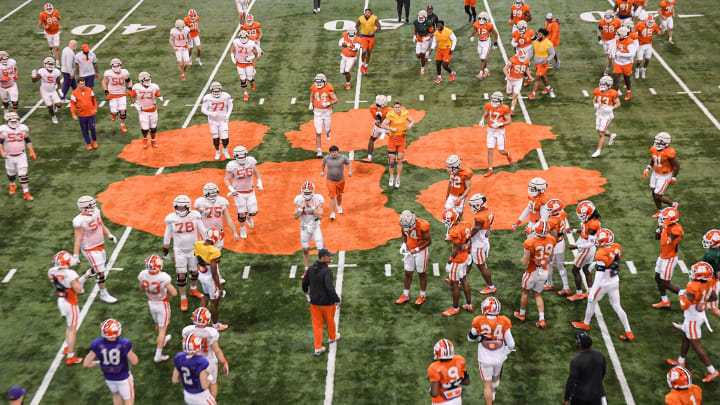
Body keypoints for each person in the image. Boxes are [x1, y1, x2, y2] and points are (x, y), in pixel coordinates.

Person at [571, 229, 634, 341]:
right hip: (614, 280)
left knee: (591, 301)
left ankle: (586, 323)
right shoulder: (617, 246)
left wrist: (592, 291)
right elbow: (609, 263)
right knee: (617, 306)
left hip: (604, 283)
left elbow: (599, 276)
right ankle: (628, 331)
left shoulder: (600, 253)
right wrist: (596, 265)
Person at [666, 261, 720, 383]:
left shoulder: (693, 286)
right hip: (699, 315)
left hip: (692, 319)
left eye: (696, 272)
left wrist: (682, 295)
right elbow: (713, 297)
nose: (693, 273)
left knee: (696, 346)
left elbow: (684, 305)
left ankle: (712, 371)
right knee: (685, 338)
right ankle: (681, 361)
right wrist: (702, 300)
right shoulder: (710, 281)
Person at [163, 194, 206, 311]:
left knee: (195, 270)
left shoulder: (195, 216)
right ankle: (183, 297)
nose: (180, 210)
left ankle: (193, 289)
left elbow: (203, 230)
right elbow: (167, 235)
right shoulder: (171, 218)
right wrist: (165, 249)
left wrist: (207, 243)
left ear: (188, 207)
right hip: (179, 250)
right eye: (178, 207)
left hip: (193, 248)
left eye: (183, 207)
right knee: (181, 274)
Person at [467, 297, 514, 404]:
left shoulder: (479, 320)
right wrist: (506, 350)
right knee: (496, 377)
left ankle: (490, 400)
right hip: (499, 357)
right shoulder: (504, 321)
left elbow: (469, 339)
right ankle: (493, 395)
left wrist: (477, 335)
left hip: (485, 358)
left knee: (487, 385)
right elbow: (511, 344)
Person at [73, 195, 118, 303]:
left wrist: (109, 235)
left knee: (99, 267)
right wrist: (76, 255)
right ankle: (103, 294)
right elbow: (78, 239)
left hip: (100, 245)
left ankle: (81, 280)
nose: (93, 208)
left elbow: (101, 225)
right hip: (90, 249)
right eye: (90, 206)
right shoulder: (80, 221)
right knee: (100, 272)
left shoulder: (96, 213)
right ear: (84, 208)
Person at [83, 319, 139, 405]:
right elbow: (135, 361)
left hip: (109, 378)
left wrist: (100, 362)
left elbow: (86, 364)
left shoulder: (97, 344)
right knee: (129, 401)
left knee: (116, 395)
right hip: (123, 378)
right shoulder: (124, 343)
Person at [182, 307, 230, 399]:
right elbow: (217, 350)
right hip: (209, 362)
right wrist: (224, 362)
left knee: (199, 385)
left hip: (194, 362)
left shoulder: (188, 331)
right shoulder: (211, 333)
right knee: (213, 383)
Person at [138, 254, 177, 363]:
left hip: (151, 302)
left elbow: (141, 288)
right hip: (162, 304)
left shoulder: (143, 275)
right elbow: (174, 293)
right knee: (162, 329)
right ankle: (158, 354)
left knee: (158, 325)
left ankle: (162, 340)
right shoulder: (163, 277)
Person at [515, 221, 555, 328]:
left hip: (532, 271)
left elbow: (524, 262)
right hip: (544, 270)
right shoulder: (551, 239)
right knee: (537, 294)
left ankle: (522, 314)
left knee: (525, 293)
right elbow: (551, 258)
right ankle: (542, 319)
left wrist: (522, 260)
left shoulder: (529, 242)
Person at [301, 248, 341, 356]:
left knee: (317, 325)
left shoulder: (310, 269)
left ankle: (318, 347)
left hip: (314, 303)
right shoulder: (327, 271)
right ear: (323, 257)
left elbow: (304, 283)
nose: (330, 257)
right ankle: (332, 337)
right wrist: (337, 299)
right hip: (327, 303)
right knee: (330, 320)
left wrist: (307, 294)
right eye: (329, 256)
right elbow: (329, 288)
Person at [48, 250, 84, 365]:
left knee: (69, 327)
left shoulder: (51, 271)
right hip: (70, 302)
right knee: (72, 329)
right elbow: (79, 290)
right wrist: (82, 278)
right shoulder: (71, 274)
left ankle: (67, 347)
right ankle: (71, 356)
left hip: (61, 300)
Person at [224, 145, 263, 239]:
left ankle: (249, 217)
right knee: (241, 213)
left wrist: (259, 182)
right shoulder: (232, 166)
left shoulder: (250, 162)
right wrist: (232, 190)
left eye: (243, 156)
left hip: (250, 191)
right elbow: (226, 179)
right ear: (235, 156)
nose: (241, 158)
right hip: (239, 193)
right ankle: (242, 228)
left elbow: (256, 173)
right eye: (239, 157)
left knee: (253, 212)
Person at [194, 228, 228, 330]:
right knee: (214, 302)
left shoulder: (198, 244)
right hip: (210, 278)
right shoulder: (214, 251)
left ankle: (198, 318)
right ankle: (215, 325)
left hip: (202, 275)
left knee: (206, 296)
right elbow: (214, 272)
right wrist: (219, 286)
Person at [566, 201, 600, 301]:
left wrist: (576, 246)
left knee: (575, 270)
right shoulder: (591, 220)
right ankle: (590, 292)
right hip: (588, 248)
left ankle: (579, 294)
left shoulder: (593, 223)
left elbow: (591, 242)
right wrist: (574, 230)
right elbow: (585, 232)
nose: (580, 217)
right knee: (586, 270)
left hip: (586, 249)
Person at [397, 210, 432, 305]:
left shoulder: (423, 226)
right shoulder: (405, 222)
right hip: (409, 250)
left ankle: (422, 296)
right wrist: (403, 244)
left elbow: (429, 241)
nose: (407, 228)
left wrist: (417, 249)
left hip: (421, 251)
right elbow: (404, 233)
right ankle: (405, 295)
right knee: (408, 273)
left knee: (421, 273)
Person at [442, 208, 473, 316]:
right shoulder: (466, 224)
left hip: (458, 260)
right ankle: (469, 304)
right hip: (465, 257)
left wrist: (449, 261)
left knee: (455, 285)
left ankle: (455, 308)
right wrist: (468, 248)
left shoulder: (454, 231)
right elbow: (469, 238)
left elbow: (455, 250)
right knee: (464, 280)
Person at [652, 206, 683, 308]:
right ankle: (665, 301)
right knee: (657, 277)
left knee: (665, 283)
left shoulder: (677, 230)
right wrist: (659, 228)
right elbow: (656, 238)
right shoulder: (665, 226)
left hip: (670, 258)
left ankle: (686, 295)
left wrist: (664, 228)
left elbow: (664, 242)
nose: (662, 219)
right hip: (663, 256)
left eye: (664, 218)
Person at [0, 112, 36, 200]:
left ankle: (26, 193)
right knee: (11, 175)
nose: (14, 123)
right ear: (7, 121)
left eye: (15, 121)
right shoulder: (3, 130)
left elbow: (27, 139)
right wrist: (2, 151)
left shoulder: (22, 128)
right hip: (9, 156)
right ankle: (12, 185)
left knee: (23, 174)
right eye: (12, 121)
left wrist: (31, 150)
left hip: (21, 155)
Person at [172, 334, 217, 405]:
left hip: (187, 395)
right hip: (201, 396)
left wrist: (190, 379)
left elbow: (175, 380)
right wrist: (211, 376)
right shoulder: (200, 361)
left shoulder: (179, 358)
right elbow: (204, 386)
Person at [564, 332, 606, 405]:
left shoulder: (576, 361)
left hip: (580, 397)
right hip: (596, 395)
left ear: (579, 344)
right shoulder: (600, 355)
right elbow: (603, 372)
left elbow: (571, 381)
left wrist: (566, 398)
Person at [194, 182, 240, 249]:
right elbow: (195, 219)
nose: (213, 197)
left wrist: (235, 232)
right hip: (206, 233)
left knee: (217, 255)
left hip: (219, 232)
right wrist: (201, 211)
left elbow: (228, 219)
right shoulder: (201, 203)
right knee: (205, 254)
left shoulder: (222, 201)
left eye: (214, 195)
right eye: (211, 195)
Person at [643, 132, 679, 217]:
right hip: (655, 173)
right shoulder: (653, 149)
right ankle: (660, 210)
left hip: (665, 176)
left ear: (665, 143)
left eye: (659, 142)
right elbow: (653, 159)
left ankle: (673, 204)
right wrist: (648, 168)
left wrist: (674, 177)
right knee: (653, 193)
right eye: (656, 141)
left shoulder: (669, 152)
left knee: (658, 195)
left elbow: (677, 166)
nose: (656, 144)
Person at [381, 101, 415, 188]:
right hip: (392, 139)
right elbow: (383, 125)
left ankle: (398, 178)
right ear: (393, 108)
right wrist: (391, 128)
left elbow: (412, 120)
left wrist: (410, 125)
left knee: (400, 159)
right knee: (391, 159)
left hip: (402, 138)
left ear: (401, 107)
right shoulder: (391, 114)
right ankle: (391, 177)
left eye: (398, 107)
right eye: (395, 107)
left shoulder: (405, 113)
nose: (397, 108)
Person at [479, 92, 513, 177]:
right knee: (490, 149)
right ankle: (490, 169)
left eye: (495, 101)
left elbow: (509, 121)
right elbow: (485, 115)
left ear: (500, 101)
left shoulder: (504, 108)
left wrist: (499, 124)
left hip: (500, 132)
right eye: (492, 101)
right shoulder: (488, 105)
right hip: (490, 130)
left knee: (501, 151)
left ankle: (508, 154)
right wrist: (482, 120)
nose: (493, 103)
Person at [294, 181, 324, 276]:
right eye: (305, 193)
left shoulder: (317, 199)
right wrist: (300, 208)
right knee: (305, 249)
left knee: (320, 249)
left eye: (308, 193)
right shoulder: (299, 200)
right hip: (304, 227)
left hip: (315, 227)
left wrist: (312, 207)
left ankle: (323, 268)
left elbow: (320, 215)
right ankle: (307, 269)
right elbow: (295, 216)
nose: (306, 195)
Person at [468, 194, 496, 295]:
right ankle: (458, 280)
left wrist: (465, 238)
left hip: (478, 245)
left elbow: (474, 230)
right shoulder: (488, 211)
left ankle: (491, 286)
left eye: (473, 205)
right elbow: (490, 224)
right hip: (483, 241)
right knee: (468, 261)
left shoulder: (479, 217)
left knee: (481, 266)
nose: (472, 208)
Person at [428, 339, 470, 404]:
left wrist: (431, 389)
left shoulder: (434, 367)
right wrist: (453, 381)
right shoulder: (459, 360)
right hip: (457, 399)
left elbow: (434, 393)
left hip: (441, 401)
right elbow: (466, 382)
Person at [128, 72, 163, 148]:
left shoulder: (153, 87)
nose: (148, 81)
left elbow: (158, 93)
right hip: (143, 111)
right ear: (141, 81)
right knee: (145, 129)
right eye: (146, 80)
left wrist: (160, 96)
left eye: (148, 80)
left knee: (153, 127)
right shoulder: (137, 87)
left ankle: (153, 140)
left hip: (153, 110)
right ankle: (145, 139)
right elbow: (132, 96)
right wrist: (135, 105)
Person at [545, 199, 571, 295]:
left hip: (555, 244)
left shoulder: (552, 220)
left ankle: (552, 285)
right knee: (559, 265)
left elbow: (553, 236)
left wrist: (550, 248)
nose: (549, 210)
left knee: (549, 265)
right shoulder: (563, 214)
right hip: (561, 241)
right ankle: (564, 286)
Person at [201, 82, 233, 160]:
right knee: (215, 137)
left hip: (223, 120)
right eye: (214, 91)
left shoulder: (225, 96)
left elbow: (230, 105)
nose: (216, 93)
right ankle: (217, 151)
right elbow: (203, 109)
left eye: (217, 91)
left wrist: (228, 115)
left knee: (225, 137)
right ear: (211, 90)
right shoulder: (207, 98)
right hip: (213, 121)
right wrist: (210, 113)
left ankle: (225, 149)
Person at [591, 75, 620, 158]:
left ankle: (598, 151)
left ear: (609, 85)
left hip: (606, 116)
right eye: (602, 84)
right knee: (599, 130)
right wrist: (595, 104)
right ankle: (611, 135)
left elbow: (618, 103)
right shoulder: (597, 90)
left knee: (601, 133)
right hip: (599, 113)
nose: (602, 86)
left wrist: (611, 108)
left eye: (605, 84)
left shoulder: (612, 93)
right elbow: (595, 99)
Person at [309, 73, 338, 156]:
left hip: (326, 112)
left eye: (319, 82)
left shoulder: (329, 88)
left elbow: (336, 100)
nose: (318, 84)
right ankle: (319, 150)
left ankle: (328, 132)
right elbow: (312, 96)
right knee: (318, 132)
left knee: (327, 128)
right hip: (317, 112)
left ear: (324, 82)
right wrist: (311, 103)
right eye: (317, 82)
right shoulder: (314, 87)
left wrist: (328, 103)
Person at [321, 145, 352, 220]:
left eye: (335, 152)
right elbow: (323, 164)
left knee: (340, 194)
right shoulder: (327, 158)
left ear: (338, 151)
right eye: (332, 152)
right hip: (330, 180)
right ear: (330, 152)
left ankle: (339, 205)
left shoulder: (342, 158)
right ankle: (332, 213)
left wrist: (350, 171)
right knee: (332, 196)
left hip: (340, 180)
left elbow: (349, 163)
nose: (334, 153)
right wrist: (322, 171)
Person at [231, 30, 262, 102]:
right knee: (242, 79)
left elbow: (257, 54)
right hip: (239, 63)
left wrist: (251, 57)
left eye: (244, 37)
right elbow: (233, 49)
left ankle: (252, 82)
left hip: (248, 63)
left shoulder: (251, 43)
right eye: (241, 37)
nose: (243, 39)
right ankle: (245, 93)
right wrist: (232, 57)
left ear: (247, 37)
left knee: (250, 77)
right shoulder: (236, 42)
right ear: (239, 37)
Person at [102, 58, 131, 133]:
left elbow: (129, 81)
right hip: (112, 94)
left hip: (122, 94)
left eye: (116, 66)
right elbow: (104, 82)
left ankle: (122, 125)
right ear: (111, 66)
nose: (115, 67)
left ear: (120, 65)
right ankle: (113, 114)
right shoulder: (108, 73)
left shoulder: (124, 73)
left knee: (123, 110)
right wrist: (106, 92)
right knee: (114, 112)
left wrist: (130, 89)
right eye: (114, 66)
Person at [70, 78, 98, 150]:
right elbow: (72, 104)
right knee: (84, 130)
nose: (83, 85)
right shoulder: (74, 93)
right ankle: (88, 143)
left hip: (91, 114)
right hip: (82, 115)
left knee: (92, 128)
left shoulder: (89, 90)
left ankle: (94, 141)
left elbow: (94, 99)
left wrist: (95, 108)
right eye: (82, 84)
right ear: (78, 84)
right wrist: (73, 114)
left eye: (84, 84)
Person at [32, 57, 62, 124]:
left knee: (59, 105)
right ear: (45, 64)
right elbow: (34, 81)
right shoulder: (42, 71)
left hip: (53, 90)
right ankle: (53, 116)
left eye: (51, 64)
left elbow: (58, 81)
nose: (50, 66)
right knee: (49, 106)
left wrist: (60, 89)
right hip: (44, 91)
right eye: (49, 64)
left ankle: (54, 104)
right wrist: (33, 76)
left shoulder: (56, 72)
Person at [528, 28, 555, 100]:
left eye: (540, 34)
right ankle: (548, 88)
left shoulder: (548, 43)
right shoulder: (535, 42)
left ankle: (533, 93)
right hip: (537, 63)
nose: (538, 35)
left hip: (543, 64)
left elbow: (552, 54)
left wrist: (547, 60)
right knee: (543, 76)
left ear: (544, 35)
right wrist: (527, 60)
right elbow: (531, 52)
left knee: (537, 78)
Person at [469, 12, 498, 79]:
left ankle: (481, 73)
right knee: (482, 58)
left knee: (483, 58)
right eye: (480, 18)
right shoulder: (476, 24)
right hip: (480, 42)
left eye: (483, 19)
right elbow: (475, 30)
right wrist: (471, 36)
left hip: (486, 42)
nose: (481, 20)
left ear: (486, 19)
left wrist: (495, 42)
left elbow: (495, 34)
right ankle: (486, 71)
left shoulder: (489, 25)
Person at [634, 14, 663, 80]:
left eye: (651, 22)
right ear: (646, 20)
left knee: (648, 59)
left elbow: (659, 33)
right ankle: (637, 70)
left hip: (648, 44)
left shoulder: (654, 25)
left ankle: (643, 69)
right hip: (640, 44)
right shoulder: (640, 24)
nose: (650, 23)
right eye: (649, 22)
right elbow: (633, 32)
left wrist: (663, 30)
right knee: (639, 60)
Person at [611, 27, 636, 101]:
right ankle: (615, 95)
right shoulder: (617, 40)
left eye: (619, 34)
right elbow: (614, 48)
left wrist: (621, 54)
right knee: (616, 79)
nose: (618, 35)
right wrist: (613, 54)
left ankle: (629, 91)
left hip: (627, 63)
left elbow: (632, 54)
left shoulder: (629, 42)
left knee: (626, 79)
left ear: (624, 35)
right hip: (618, 62)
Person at [444, 155, 472, 222]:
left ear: (457, 166)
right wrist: (447, 194)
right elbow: (450, 183)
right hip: (452, 194)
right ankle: (451, 229)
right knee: (448, 212)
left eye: (451, 168)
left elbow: (468, 188)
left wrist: (461, 198)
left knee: (459, 216)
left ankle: (463, 230)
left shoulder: (465, 173)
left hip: (460, 196)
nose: (449, 170)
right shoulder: (452, 172)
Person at [364, 94, 389, 162]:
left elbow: (374, 106)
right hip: (388, 127)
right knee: (396, 140)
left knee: (371, 140)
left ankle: (369, 157)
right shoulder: (389, 110)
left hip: (378, 127)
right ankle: (399, 157)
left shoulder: (372, 108)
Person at [701, 229, 720, 319]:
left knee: (713, 310)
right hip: (712, 279)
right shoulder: (716, 253)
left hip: (712, 282)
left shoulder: (712, 255)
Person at [356, 9, 381, 75]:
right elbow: (357, 25)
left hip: (371, 37)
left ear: (371, 13)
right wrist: (357, 32)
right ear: (364, 13)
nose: (367, 14)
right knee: (364, 51)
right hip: (364, 36)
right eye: (366, 12)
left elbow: (379, 27)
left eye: (368, 12)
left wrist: (373, 32)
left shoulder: (374, 18)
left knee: (369, 52)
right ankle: (362, 64)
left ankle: (366, 66)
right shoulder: (361, 18)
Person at [598, 10, 621, 75]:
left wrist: (618, 37)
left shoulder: (617, 21)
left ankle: (608, 69)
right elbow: (599, 30)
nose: (607, 19)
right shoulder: (601, 21)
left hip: (613, 40)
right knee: (607, 55)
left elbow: (620, 30)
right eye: (606, 17)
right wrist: (599, 38)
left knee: (610, 55)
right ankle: (611, 66)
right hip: (605, 40)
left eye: (609, 18)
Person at [413, 11, 435, 76]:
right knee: (418, 56)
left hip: (426, 40)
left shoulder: (428, 23)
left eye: (421, 18)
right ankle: (426, 54)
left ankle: (422, 69)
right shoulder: (416, 22)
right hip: (419, 40)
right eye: (419, 18)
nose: (420, 19)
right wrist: (414, 35)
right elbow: (415, 29)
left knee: (422, 55)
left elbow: (433, 33)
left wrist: (428, 36)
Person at [0, 51, 19, 116]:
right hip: (2, 86)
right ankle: (6, 109)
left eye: (6, 58)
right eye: (3, 59)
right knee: (5, 102)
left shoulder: (12, 62)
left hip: (12, 85)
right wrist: (2, 79)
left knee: (15, 101)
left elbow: (15, 68)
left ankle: (15, 114)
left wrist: (16, 74)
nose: (5, 60)